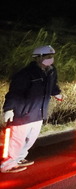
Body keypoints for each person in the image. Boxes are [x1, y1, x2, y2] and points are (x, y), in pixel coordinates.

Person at [1, 45, 63, 174]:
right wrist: (9, 109)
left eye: (51, 57)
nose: (50, 59)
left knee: (31, 139)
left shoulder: (51, 71)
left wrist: (56, 93)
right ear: (38, 58)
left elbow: (52, 85)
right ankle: (7, 164)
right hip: (23, 113)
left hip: (39, 112)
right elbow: (15, 93)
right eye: (47, 57)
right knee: (16, 140)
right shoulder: (25, 74)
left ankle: (19, 158)